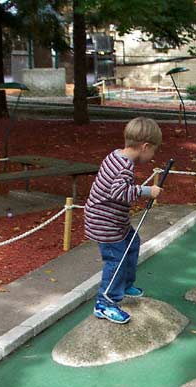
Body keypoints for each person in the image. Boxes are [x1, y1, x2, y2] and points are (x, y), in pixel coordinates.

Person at [84, 117, 163, 324]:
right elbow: (119, 192)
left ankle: (125, 284)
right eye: (153, 150)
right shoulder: (124, 166)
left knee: (133, 243)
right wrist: (148, 191)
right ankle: (105, 303)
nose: (153, 155)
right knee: (116, 261)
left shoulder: (116, 155)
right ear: (145, 147)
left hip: (114, 220)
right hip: (106, 224)